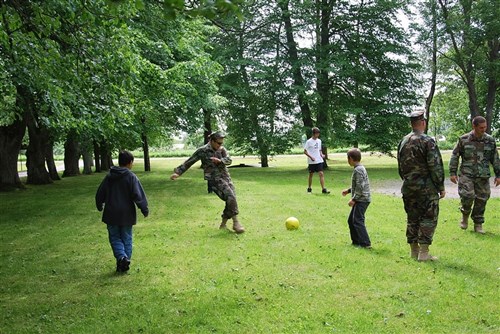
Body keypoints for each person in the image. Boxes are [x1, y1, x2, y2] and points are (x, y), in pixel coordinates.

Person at [170, 132, 245, 234]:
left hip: (226, 177)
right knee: (230, 196)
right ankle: (236, 223)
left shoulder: (222, 149)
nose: (220, 145)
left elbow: (229, 160)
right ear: (212, 141)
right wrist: (178, 172)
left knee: (232, 199)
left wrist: (220, 161)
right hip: (214, 179)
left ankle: (223, 225)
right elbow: (190, 161)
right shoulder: (203, 151)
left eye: (221, 143)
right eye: (218, 143)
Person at [397, 109, 445, 261]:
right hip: (426, 188)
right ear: (423, 123)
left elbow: (400, 166)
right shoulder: (427, 141)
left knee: (412, 218)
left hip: (408, 187)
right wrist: (441, 186)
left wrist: (408, 181)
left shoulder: (403, 141)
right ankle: (423, 253)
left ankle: (413, 251)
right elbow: (435, 165)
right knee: (428, 218)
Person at [95, 150, 149, 273]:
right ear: (130, 163)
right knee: (127, 238)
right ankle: (125, 260)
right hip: (126, 213)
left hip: (111, 213)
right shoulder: (131, 177)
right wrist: (144, 208)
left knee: (114, 237)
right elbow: (138, 195)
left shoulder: (109, 176)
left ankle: (121, 259)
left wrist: (99, 204)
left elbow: (100, 193)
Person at [449, 116, 500, 234]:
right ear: (474, 126)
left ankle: (478, 224)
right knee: (467, 195)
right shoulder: (463, 139)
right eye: (481, 127)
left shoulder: (490, 140)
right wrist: (452, 173)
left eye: (485, 127)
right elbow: (455, 156)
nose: (484, 129)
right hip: (467, 174)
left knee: (482, 198)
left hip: (483, 175)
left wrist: (498, 175)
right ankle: (465, 215)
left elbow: (495, 159)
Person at [341, 148, 372, 249]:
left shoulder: (358, 170)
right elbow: (358, 185)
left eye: (348, 158)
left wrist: (354, 199)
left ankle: (365, 243)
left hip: (362, 199)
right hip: (360, 198)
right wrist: (349, 190)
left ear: (350, 158)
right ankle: (356, 241)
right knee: (351, 220)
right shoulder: (359, 168)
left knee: (358, 220)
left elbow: (360, 187)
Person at [303, 127, 330, 194]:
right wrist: (311, 157)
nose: (318, 135)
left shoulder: (319, 141)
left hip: (319, 160)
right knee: (311, 174)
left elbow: (319, 150)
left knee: (321, 173)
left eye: (318, 133)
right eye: (317, 133)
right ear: (313, 134)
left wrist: (322, 154)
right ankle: (309, 188)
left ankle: (323, 189)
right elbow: (305, 151)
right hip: (312, 161)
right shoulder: (309, 142)